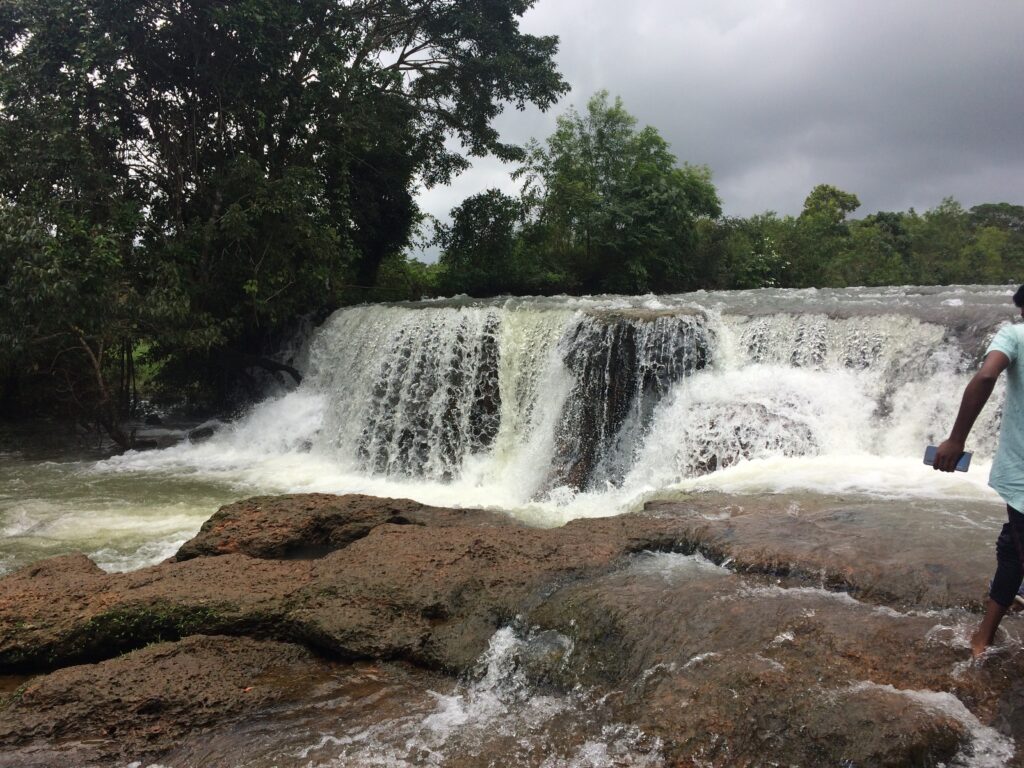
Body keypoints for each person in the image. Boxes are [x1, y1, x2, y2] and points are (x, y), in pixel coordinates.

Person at [934, 284, 1024, 657]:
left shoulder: (1014, 334)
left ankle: (982, 641)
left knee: (1019, 552)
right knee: (1013, 547)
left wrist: (956, 439)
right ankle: (984, 635)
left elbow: (986, 377)